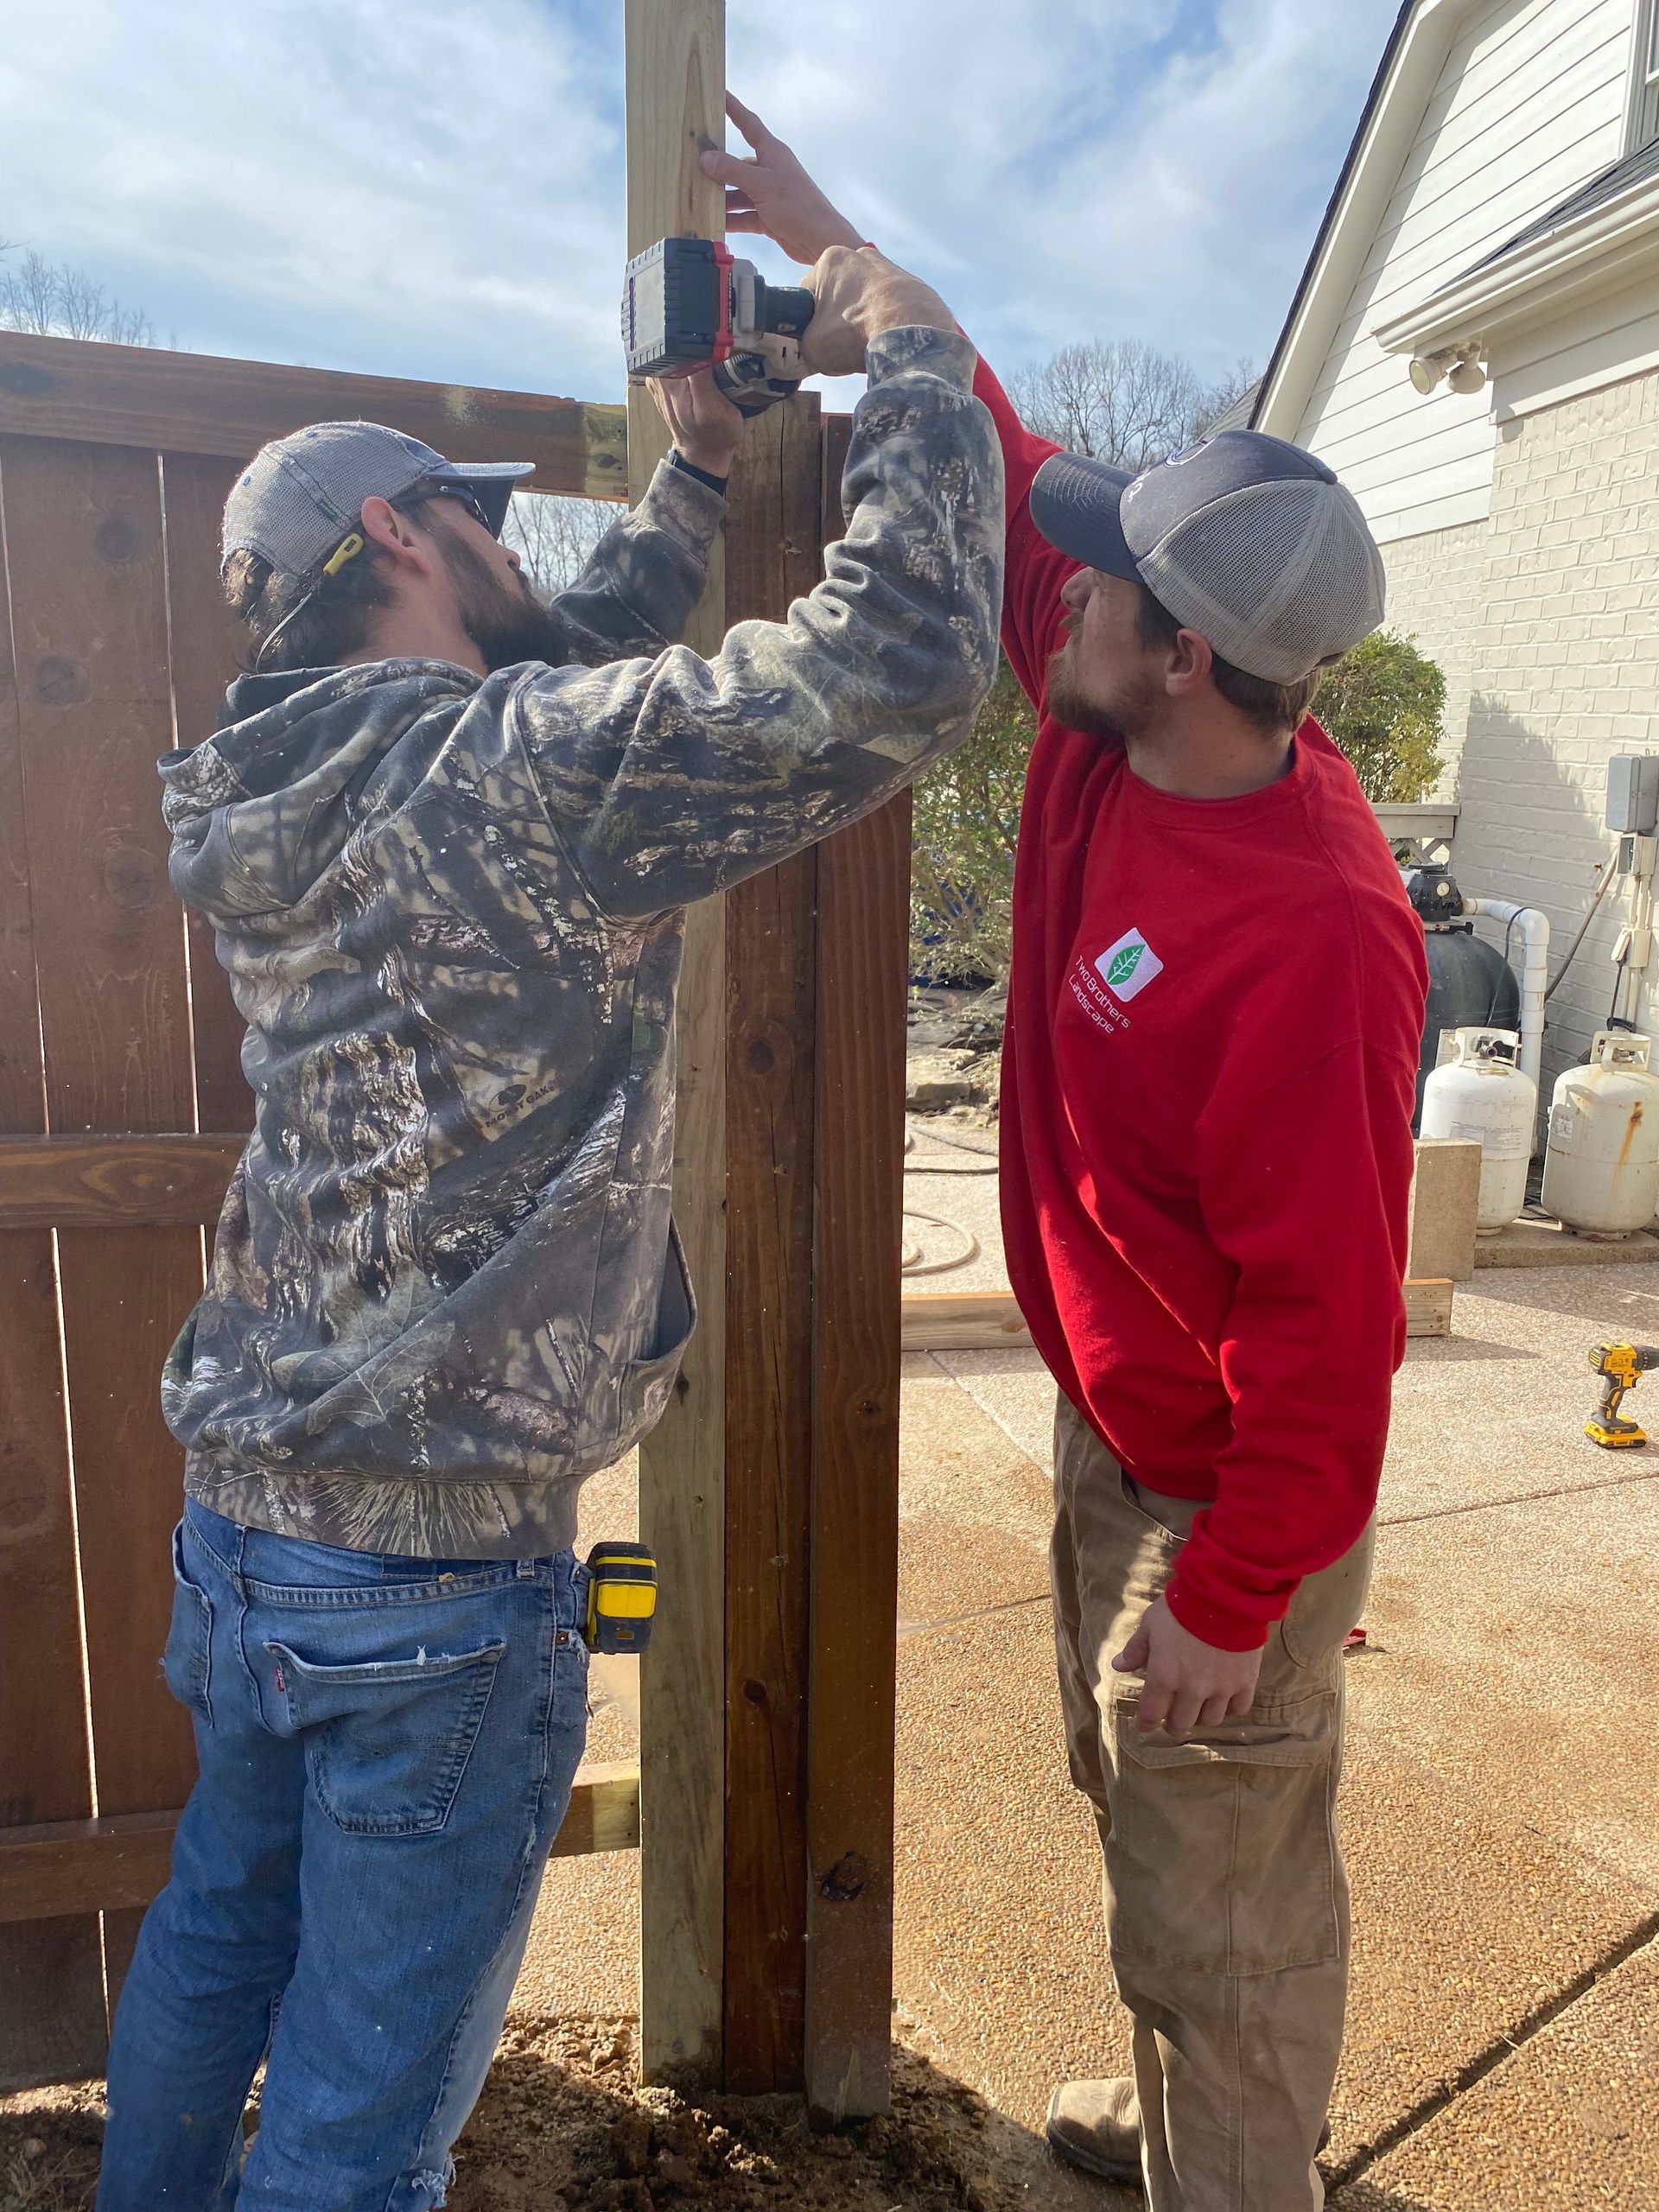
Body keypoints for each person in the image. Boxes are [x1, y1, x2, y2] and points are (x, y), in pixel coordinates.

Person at [96, 243, 1002, 2212]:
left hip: (244, 1526)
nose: (517, 555)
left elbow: (528, 668)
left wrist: (688, 481)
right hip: (426, 1585)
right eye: (480, 529)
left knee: (208, 1956)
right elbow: (910, 655)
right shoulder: (520, 784)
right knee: (358, 2116)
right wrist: (912, 338)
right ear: (407, 533)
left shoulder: (265, 784)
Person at [707, 99, 1428, 2212]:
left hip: (1233, 1488)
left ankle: (1240, 2164)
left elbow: (1335, 1333)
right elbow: (998, 439)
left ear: (1188, 650)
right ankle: (1191, 2108)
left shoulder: (1318, 939)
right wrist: (849, 257)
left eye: (1103, 572)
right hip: (1127, 1422)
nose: (1062, 572)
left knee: (1229, 1896)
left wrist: (1232, 1589)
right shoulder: (1133, 687)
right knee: (1149, 1825)